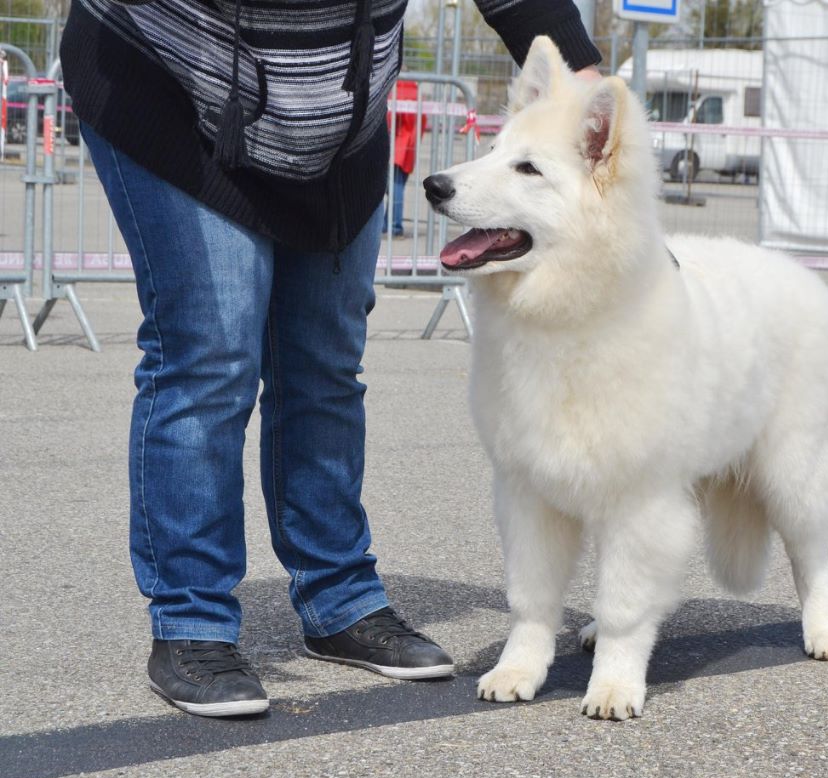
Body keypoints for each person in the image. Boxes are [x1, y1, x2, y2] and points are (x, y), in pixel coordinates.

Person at [60, 0, 601, 717]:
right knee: (210, 352)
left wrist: (586, 76)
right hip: (172, 86)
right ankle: (191, 622)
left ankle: (339, 600)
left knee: (324, 360)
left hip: (335, 119)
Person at [382, 79, 425, 238]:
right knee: (396, 186)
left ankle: (394, 226)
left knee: (394, 187)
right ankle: (388, 223)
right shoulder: (415, 91)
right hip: (407, 147)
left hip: (397, 144)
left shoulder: (398, 90)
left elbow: (389, 117)